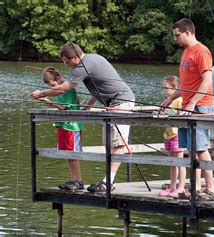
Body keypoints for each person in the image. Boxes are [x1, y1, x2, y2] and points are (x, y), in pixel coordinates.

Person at [30, 43, 135, 192]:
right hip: (111, 103)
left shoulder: (84, 65)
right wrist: (88, 106)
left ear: (74, 57)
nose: (67, 66)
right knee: (109, 142)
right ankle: (105, 181)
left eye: (67, 62)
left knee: (117, 143)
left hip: (121, 100)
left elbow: (65, 87)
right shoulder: (94, 58)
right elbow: (98, 89)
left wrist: (42, 93)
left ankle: (108, 182)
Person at [161, 18, 214, 201]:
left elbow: (207, 80)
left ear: (188, 32)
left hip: (201, 105)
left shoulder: (201, 51)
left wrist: (193, 102)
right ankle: (195, 188)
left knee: (201, 148)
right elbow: (186, 84)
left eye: (177, 35)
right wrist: (171, 98)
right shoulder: (186, 53)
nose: (175, 39)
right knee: (192, 149)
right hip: (187, 106)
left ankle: (211, 190)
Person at [34, 67, 84, 191]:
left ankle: (79, 181)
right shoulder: (58, 89)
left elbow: (63, 108)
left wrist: (47, 101)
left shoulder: (67, 89)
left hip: (71, 126)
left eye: (52, 84)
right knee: (67, 154)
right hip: (64, 125)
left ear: (57, 78)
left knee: (72, 154)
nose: (52, 87)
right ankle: (74, 179)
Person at [159, 75, 186, 198]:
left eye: (166, 88)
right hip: (168, 135)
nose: (164, 91)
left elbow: (181, 115)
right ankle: (172, 187)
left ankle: (181, 188)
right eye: (163, 88)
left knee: (180, 162)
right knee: (172, 163)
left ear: (175, 88)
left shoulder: (179, 100)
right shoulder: (167, 102)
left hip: (177, 135)